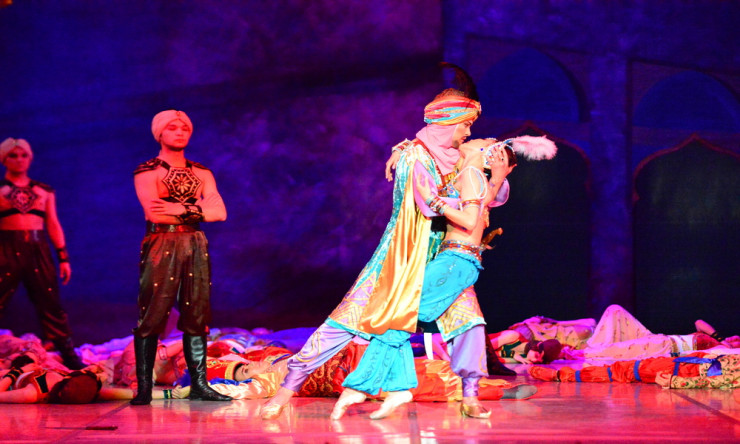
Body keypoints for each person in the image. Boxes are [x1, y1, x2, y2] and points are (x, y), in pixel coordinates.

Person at [260, 80, 486, 419]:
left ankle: (471, 395)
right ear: (447, 122)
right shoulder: (415, 155)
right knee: (345, 322)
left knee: (469, 321)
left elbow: (491, 185)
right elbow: (428, 205)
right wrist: (468, 200)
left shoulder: (456, 158)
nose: (468, 133)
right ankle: (285, 391)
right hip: (402, 257)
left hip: (444, 258)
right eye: (465, 125)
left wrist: (483, 177)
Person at [332, 137, 531, 420]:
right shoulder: (463, 172)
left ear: (486, 153)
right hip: (457, 262)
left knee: (407, 318)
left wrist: (433, 198)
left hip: (456, 262)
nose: (475, 137)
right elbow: (431, 147)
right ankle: (455, 395)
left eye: (484, 140)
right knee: (465, 325)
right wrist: (402, 150)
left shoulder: (471, 174)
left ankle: (364, 386)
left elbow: (475, 212)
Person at [130, 110, 231, 405]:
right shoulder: (147, 171)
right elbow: (154, 213)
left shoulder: (202, 172)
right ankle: (144, 388)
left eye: (184, 127)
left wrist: (180, 209)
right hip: (161, 242)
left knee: (196, 313)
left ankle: (199, 384)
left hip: (195, 243)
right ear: (159, 133)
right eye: (172, 127)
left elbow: (220, 213)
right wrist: (199, 210)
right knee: (152, 312)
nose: (179, 132)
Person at [0, 138, 83, 370]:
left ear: (30, 158)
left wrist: (63, 258)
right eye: (13, 155)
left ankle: (69, 356)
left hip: (38, 250)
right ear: (4, 159)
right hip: (6, 250)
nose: (19, 160)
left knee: (50, 303)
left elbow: (53, 224)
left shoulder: (44, 191)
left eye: (23, 155)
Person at [529, 350, 740, 390]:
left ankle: (561, 375)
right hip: (689, 362)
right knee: (625, 368)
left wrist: (675, 382)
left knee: (623, 372)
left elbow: (717, 380)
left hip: (687, 371)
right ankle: (566, 374)